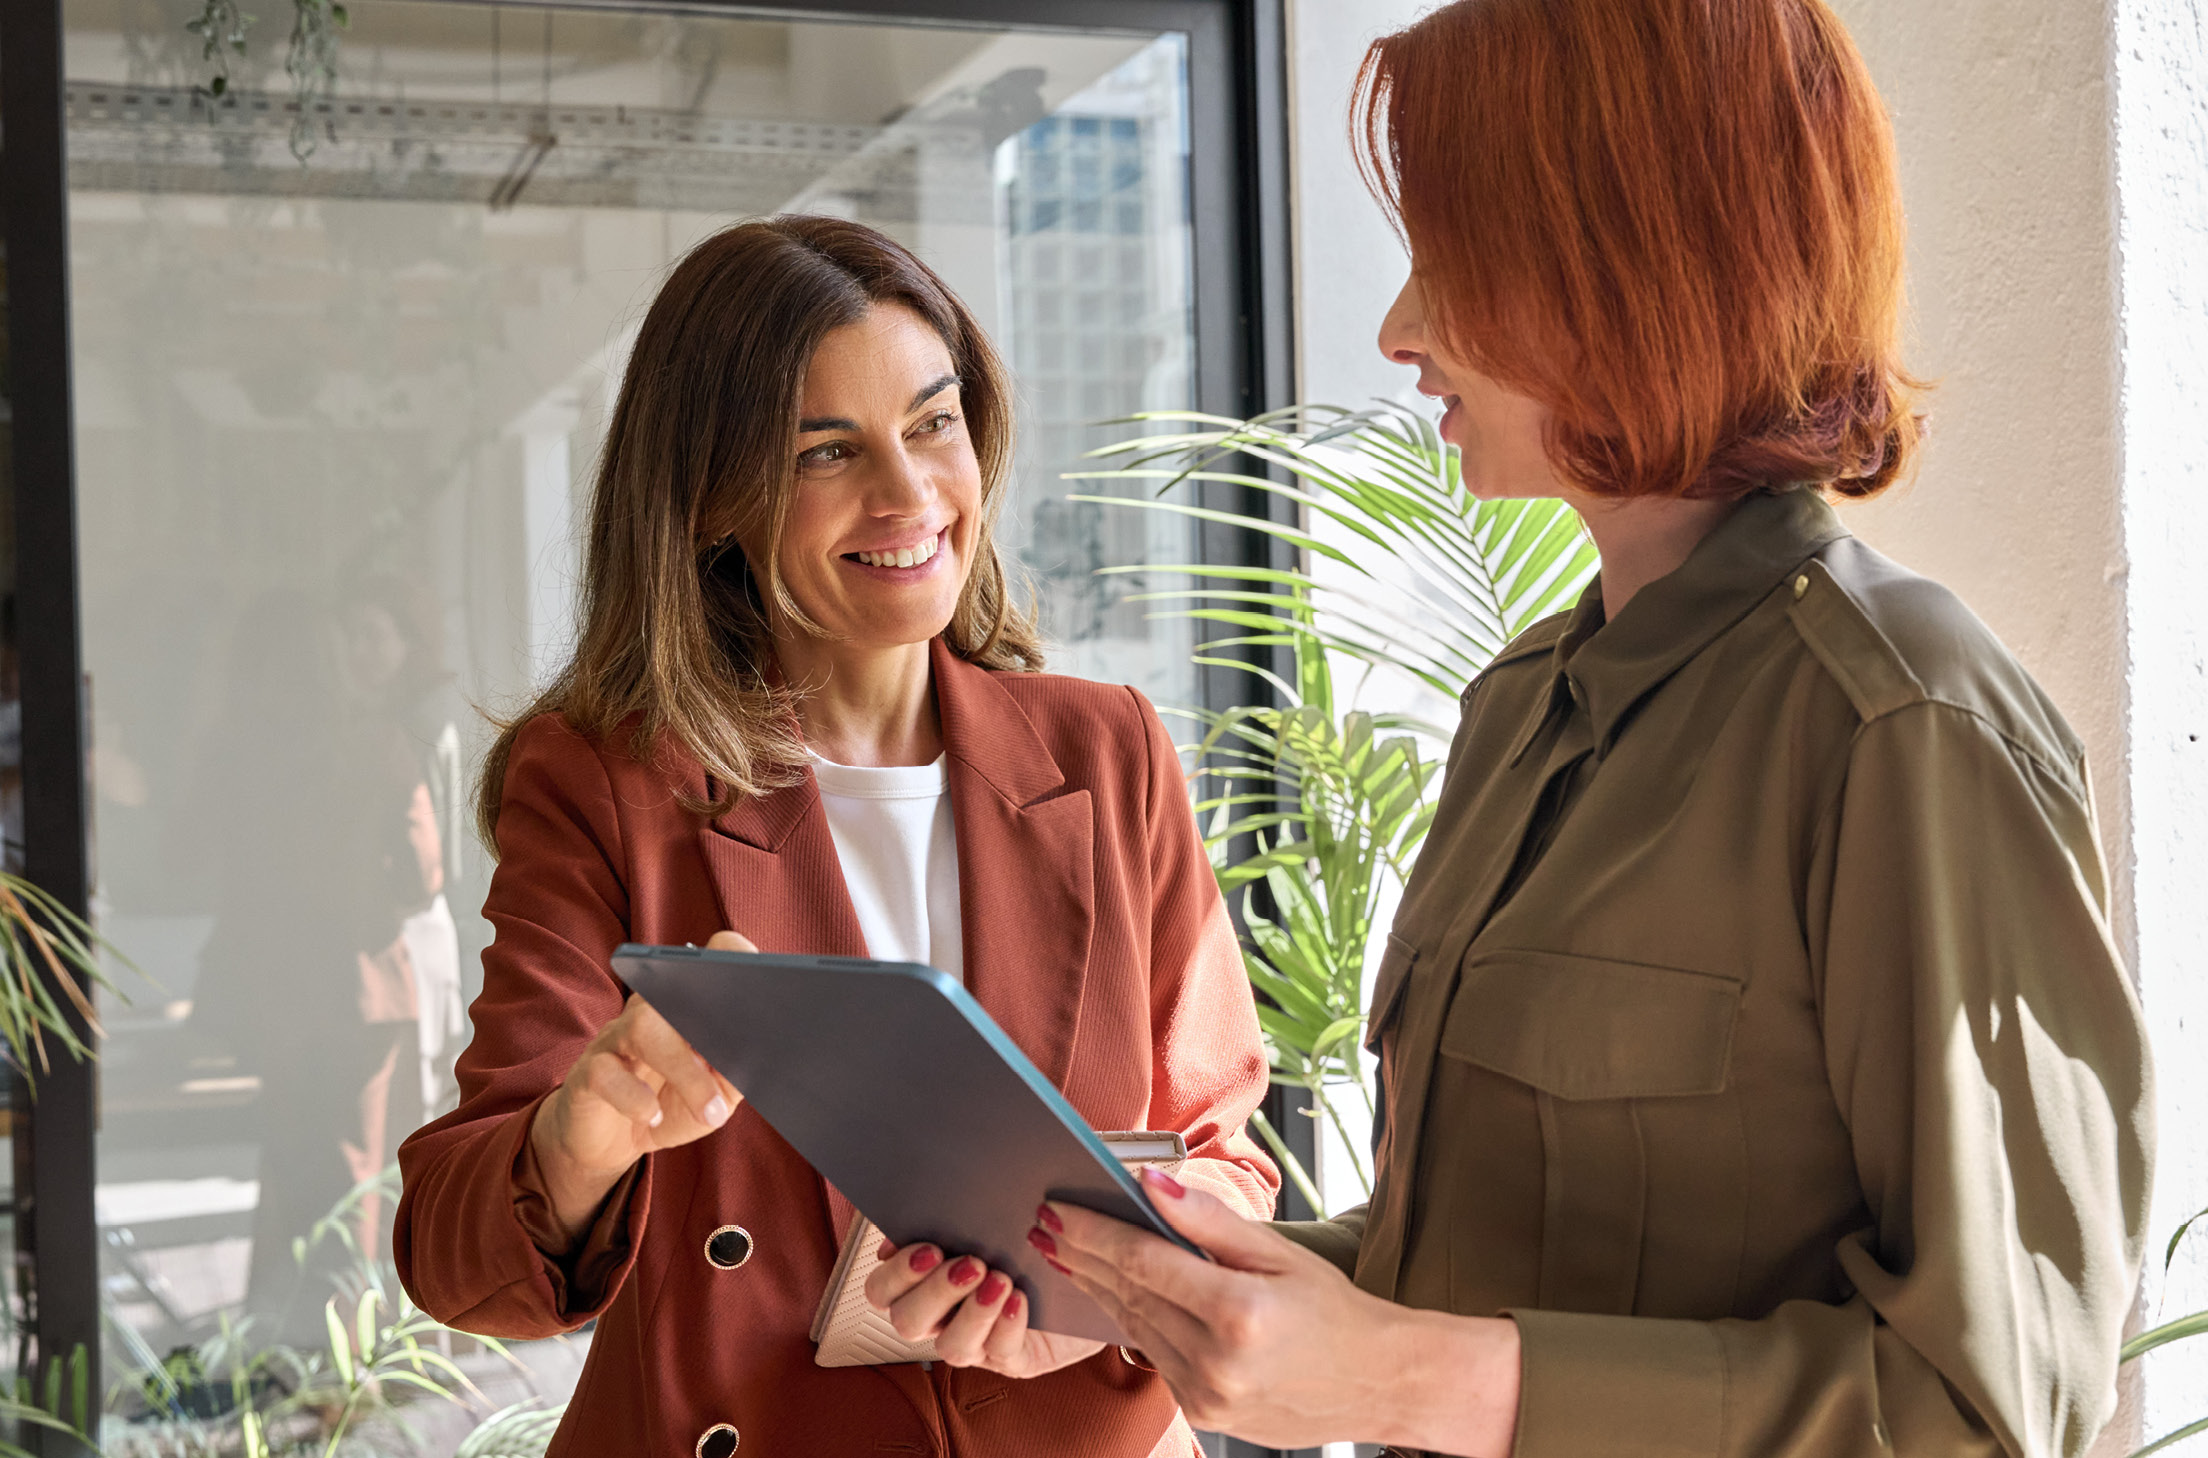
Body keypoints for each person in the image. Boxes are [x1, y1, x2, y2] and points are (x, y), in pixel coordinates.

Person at [1033, 3, 2154, 1455]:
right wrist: (1136, 1282)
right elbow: (1500, 1266)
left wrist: (1403, 1381)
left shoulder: (1902, 721)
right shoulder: (1521, 704)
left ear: (1635, 264)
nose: (1402, 329)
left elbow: (1993, 1409)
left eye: (1457, 257)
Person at [393, 216, 1278, 1458]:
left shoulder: (1106, 751)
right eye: (826, 452)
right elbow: (451, 1256)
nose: (911, 495)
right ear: (712, 499)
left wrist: (1085, 1310)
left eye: (933, 423)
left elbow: (1222, 1158)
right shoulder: (606, 784)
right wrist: (588, 1130)